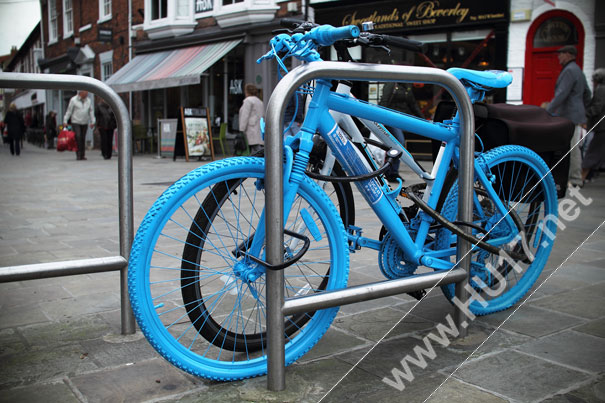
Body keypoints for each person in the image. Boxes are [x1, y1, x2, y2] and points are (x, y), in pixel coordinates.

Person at [545, 45, 591, 187]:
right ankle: (573, 177)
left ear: (569, 54)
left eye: (561, 54)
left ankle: (575, 179)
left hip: (569, 115)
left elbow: (562, 94)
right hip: (575, 113)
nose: (559, 56)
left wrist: (547, 111)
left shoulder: (570, 70)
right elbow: (587, 93)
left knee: (572, 148)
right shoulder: (578, 71)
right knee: (573, 147)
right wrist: (583, 110)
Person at [379, 82, 423, 183]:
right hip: (390, 119)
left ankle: (390, 171)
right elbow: (384, 100)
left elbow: (413, 105)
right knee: (399, 143)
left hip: (401, 120)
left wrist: (423, 120)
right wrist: (379, 119)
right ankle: (391, 171)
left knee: (395, 145)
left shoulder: (407, 87)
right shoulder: (392, 84)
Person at [581, 68, 605, 182]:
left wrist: (585, 114)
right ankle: (588, 176)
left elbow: (597, 107)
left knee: (592, 151)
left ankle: (582, 178)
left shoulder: (601, 89)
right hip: (601, 127)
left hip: (601, 127)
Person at [64, 90, 95, 160]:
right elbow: (69, 111)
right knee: (78, 137)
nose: (87, 93)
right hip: (76, 122)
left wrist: (92, 121)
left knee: (83, 138)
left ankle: (82, 155)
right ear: (80, 93)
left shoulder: (88, 101)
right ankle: (78, 154)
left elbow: (91, 111)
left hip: (84, 122)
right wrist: (65, 120)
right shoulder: (73, 100)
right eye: (85, 92)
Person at [238, 84, 264, 154]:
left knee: (253, 148)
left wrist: (241, 129)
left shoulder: (248, 101)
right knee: (258, 148)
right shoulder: (260, 101)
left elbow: (245, 115)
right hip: (258, 128)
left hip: (251, 128)